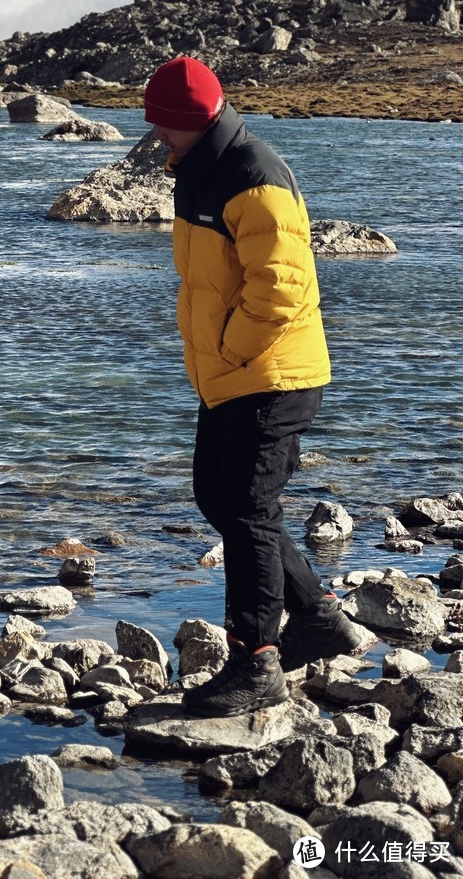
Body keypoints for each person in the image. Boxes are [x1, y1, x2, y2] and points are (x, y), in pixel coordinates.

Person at [144, 55, 367, 718]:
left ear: (190, 122)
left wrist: (227, 352)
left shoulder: (253, 176)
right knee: (220, 496)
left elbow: (281, 289)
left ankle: (256, 661)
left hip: (270, 374)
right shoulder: (201, 172)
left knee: (244, 504)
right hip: (235, 375)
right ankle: (319, 616)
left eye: (163, 126)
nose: (156, 138)